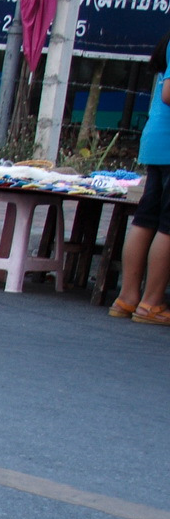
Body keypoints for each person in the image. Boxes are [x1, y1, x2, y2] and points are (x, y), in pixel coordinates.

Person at [112, 33, 170, 322]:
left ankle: (128, 298)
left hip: (157, 141)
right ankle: (151, 303)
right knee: (168, 225)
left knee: (146, 218)